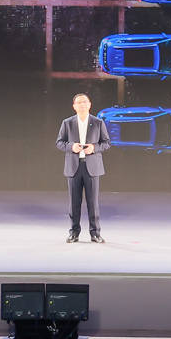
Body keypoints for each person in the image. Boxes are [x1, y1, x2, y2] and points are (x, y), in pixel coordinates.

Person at [56, 93, 110, 243]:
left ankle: (95, 233)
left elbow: (106, 143)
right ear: (74, 106)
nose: (82, 105)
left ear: (90, 104)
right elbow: (59, 142)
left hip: (92, 167)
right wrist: (71, 146)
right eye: (79, 103)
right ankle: (74, 233)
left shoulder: (98, 122)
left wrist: (94, 148)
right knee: (74, 203)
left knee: (93, 203)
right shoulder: (67, 123)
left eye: (85, 102)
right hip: (74, 167)